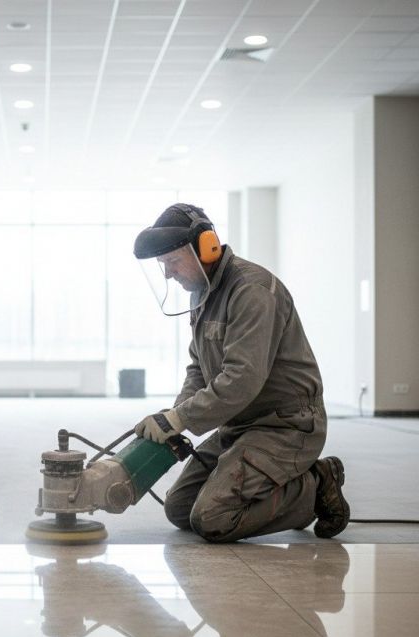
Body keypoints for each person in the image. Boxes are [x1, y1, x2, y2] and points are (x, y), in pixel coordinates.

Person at [133, 202, 350, 543]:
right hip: (240, 424)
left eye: (173, 262)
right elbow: (198, 367)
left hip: (286, 425)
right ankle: (277, 483)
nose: (168, 274)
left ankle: (317, 483)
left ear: (207, 247)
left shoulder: (252, 291)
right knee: (179, 509)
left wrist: (181, 418)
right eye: (163, 265)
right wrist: (174, 416)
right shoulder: (202, 292)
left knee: (213, 519)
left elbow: (242, 379)